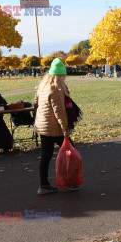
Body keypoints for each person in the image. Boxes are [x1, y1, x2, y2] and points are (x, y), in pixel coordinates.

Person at [34, 58, 74, 195]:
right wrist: (65, 130)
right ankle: (70, 181)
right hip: (54, 128)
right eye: (63, 75)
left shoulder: (43, 86)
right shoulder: (56, 88)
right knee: (71, 153)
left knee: (46, 156)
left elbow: (35, 103)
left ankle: (43, 185)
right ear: (60, 75)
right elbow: (60, 112)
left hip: (43, 126)